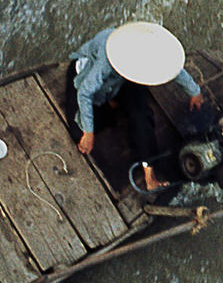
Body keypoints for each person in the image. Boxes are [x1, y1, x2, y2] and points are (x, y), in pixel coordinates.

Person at [66, 21, 204, 191]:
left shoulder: (148, 50)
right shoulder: (107, 56)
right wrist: (88, 133)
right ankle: (111, 105)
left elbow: (172, 67)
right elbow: (85, 92)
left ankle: (149, 171)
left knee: (141, 114)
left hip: (124, 79)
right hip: (88, 78)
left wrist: (194, 91)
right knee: (78, 132)